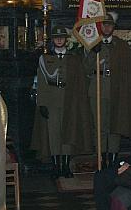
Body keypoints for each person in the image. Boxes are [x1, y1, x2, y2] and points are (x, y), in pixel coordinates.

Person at [31, 27, 92, 178]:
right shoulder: (45, 58)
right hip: (52, 99)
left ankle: (66, 166)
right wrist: (42, 103)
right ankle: (56, 166)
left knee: (68, 133)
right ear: (52, 40)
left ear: (66, 40)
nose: (59, 40)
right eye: (56, 37)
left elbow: (80, 81)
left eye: (62, 37)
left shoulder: (74, 59)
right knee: (54, 134)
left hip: (69, 99)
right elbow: (42, 82)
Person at [83, 12, 131, 168]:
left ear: (114, 28)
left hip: (116, 89)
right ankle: (101, 157)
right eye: (104, 24)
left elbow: (127, 70)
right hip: (97, 88)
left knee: (115, 124)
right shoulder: (92, 44)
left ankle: (113, 157)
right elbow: (85, 69)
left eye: (110, 25)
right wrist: (92, 53)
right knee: (99, 125)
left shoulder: (121, 45)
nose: (107, 27)